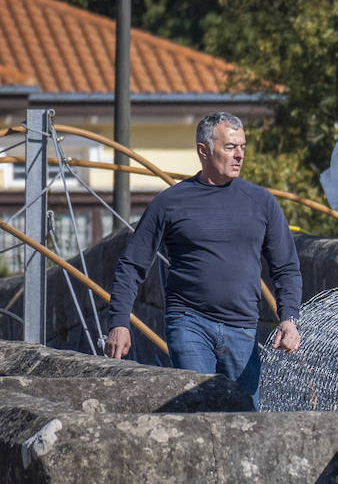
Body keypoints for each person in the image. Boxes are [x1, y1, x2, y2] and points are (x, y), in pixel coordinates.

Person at [105, 111, 302, 405]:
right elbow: (132, 265)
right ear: (204, 151)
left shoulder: (261, 203)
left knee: (245, 419)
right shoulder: (169, 203)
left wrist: (289, 319)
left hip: (244, 328)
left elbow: (286, 266)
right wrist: (119, 322)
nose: (239, 155)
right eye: (230, 147)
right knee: (198, 409)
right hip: (189, 322)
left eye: (243, 147)